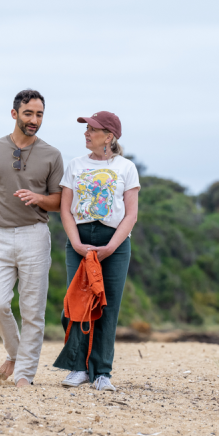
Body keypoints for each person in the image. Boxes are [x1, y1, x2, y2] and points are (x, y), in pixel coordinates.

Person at [0, 89, 64, 388]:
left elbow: (59, 202)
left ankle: (24, 377)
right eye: (29, 113)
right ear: (14, 114)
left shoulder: (52, 154)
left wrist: (39, 198)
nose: (34, 120)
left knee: (33, 310)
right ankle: (14, 353)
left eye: (40, 114)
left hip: (35, 236)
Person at [53, 111, 140, 392]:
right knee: (78, 304)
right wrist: (76, 243)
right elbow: (65, 209)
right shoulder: (75, 165)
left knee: (108, 306)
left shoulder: (126, 167)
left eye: (92, 129)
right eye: (86, 128)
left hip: (114, 243)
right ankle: (78, 368)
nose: (86, 133)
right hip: (79, 239)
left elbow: (131, 215)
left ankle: (102, 372)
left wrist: (111, 247)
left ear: (109, 136)